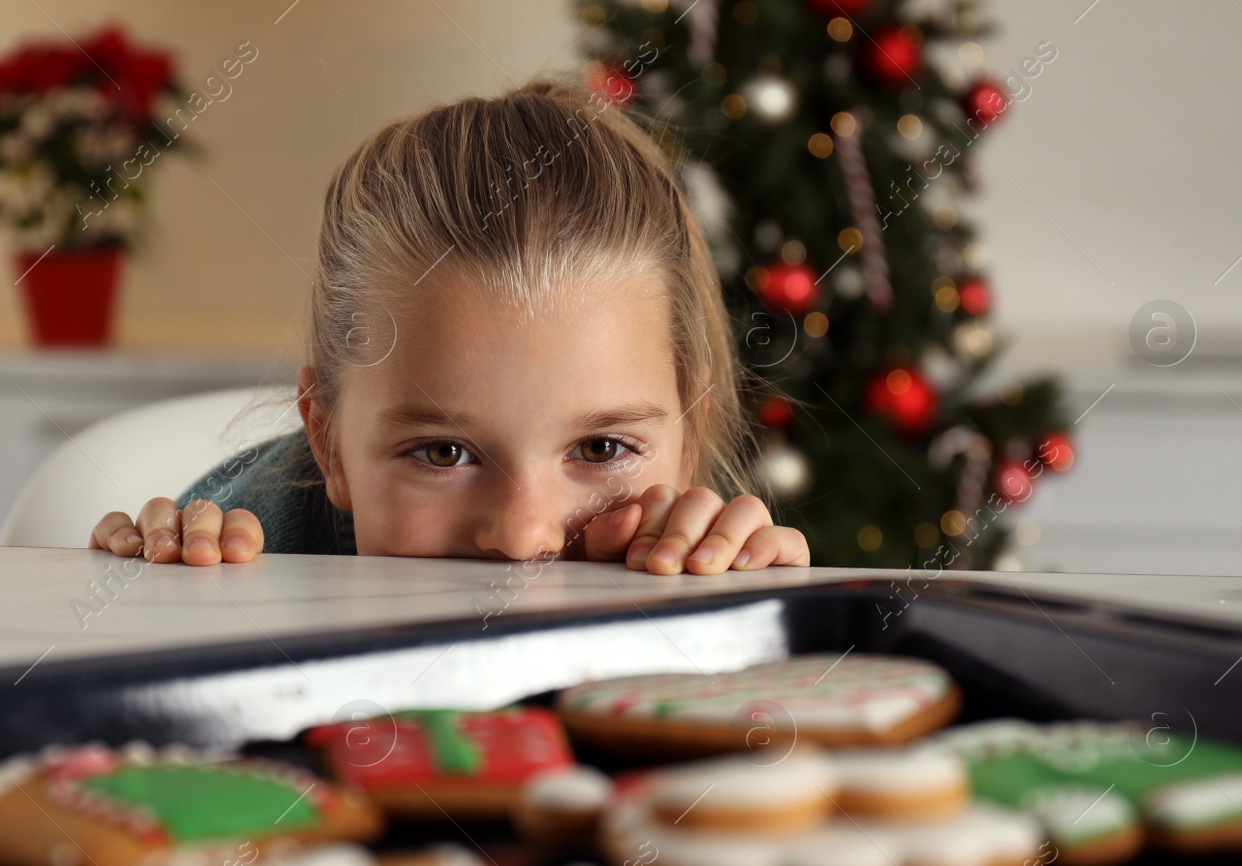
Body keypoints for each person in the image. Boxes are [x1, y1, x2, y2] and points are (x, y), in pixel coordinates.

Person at [89, 78, 808, 576]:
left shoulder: (708, 576)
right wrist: (156, 610)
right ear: (328, 442)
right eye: (442, 452)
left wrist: (761, 633)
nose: (525, 537)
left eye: (601, 446)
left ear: (687, 442)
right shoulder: (245, 551)